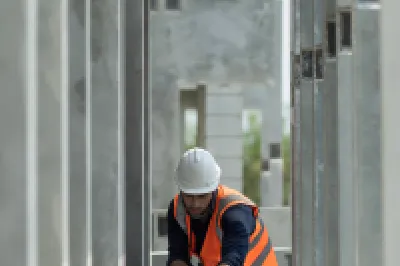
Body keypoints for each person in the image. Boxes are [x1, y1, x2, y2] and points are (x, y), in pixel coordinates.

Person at [167, 147, 279, 266]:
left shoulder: (235, 210)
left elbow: (233, 257)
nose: (195, 203)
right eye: (189, 196)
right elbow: (178, 254)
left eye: (202, 196)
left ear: (213, 189)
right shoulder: (177, 209)